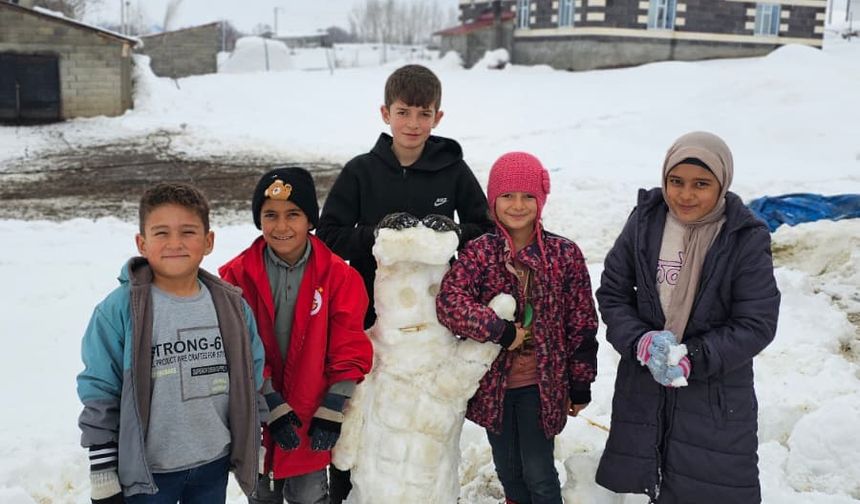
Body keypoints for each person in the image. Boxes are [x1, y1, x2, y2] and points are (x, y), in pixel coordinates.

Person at [317, 63, 493, 501]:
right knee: (361, 412)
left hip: (431, 320)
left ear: (438, 117)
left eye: (423, 113)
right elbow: (330, 233)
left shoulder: (452, 169)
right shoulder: (362, 171)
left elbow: (483, 226)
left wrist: (452, 232)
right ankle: (346, 491)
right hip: (369, 317)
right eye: (403, 112)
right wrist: (378, 233)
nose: (413, 124)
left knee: (425, 412)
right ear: (385, 113)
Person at [594, 131, 780, 503]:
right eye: (675, 182)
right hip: (644, 387)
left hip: (714, 394)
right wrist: (640, 342)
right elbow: (614, 293)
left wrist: (693, 357)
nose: (685, 195)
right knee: (656, 480)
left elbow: (756, 322)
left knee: (709, 488)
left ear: (722, 184)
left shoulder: (743, 237)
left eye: (701, 184)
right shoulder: (646, 223)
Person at [76, 183, 266, 503]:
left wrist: (254, 438)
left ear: (208, 241)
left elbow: (252, 377)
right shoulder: (120, 310)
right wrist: (103, 471)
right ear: (142, 242)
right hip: (149, 474)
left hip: (212, 464)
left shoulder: (232, 306)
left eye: (188, 232)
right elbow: (100, 391)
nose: (175, 243)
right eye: (161, 233)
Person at [436, 152, 599, 504]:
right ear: (493, 199)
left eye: (528, 196)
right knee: (509, 470)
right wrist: (499, 330)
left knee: (539, 473)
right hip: (494, 386)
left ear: (540, 200)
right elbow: (450, 302)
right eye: (508, 195)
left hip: (543, 385)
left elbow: (582, 321)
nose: (518, 205)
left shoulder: (563, 254)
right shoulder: (479, 252)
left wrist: (581, 381)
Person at [219, 167, 373, 504]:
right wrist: (269, 400)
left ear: (311, 220)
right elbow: (237, 347)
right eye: (270, 215)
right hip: (259, 411)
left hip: (312, 414)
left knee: (310, 494)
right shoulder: (235, 276)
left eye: (294, 214)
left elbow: (349, 344)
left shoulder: (338, 276)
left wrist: (334, 404)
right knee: (261, 493)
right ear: (259, 220)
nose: (282, 226)